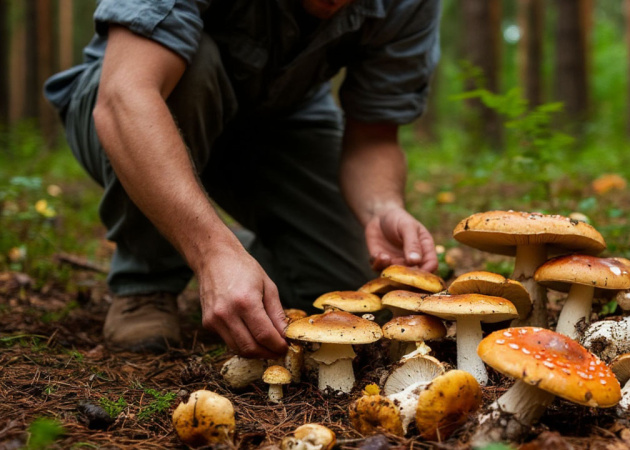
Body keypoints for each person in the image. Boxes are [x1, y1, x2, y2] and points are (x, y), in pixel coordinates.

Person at [44, 0, 440, 359]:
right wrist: (211, 252)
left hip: (281, 121)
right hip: (144, 104)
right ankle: (146, 282)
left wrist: (382, 206)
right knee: (193, 63)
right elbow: (124, 97)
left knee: (345, 287)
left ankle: (240, 259)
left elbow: (373, 136)